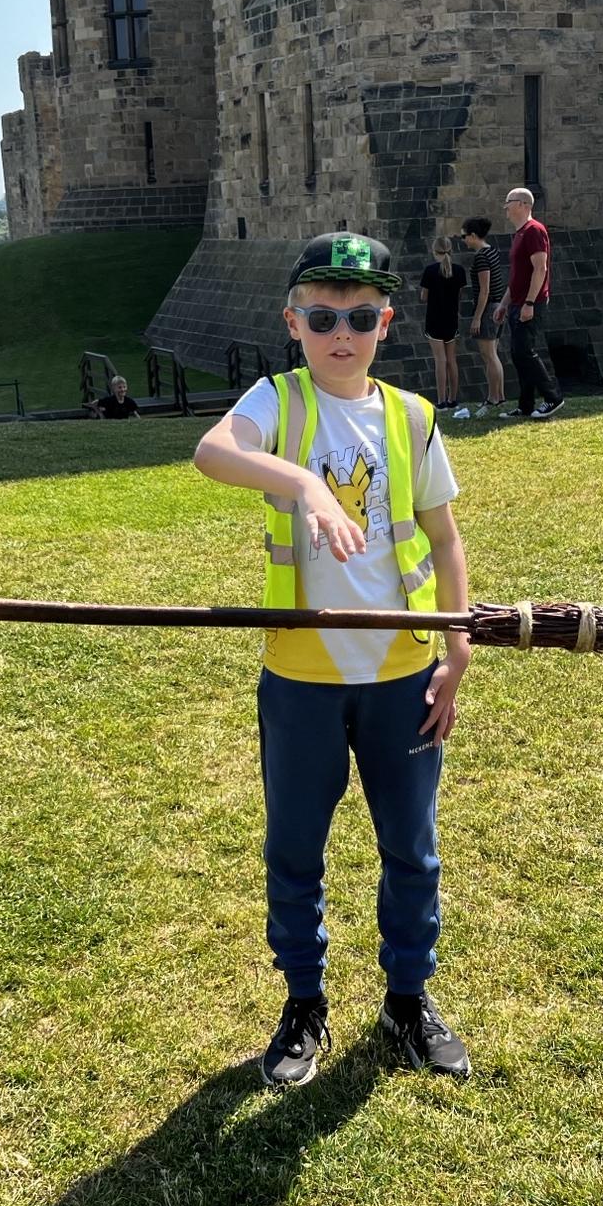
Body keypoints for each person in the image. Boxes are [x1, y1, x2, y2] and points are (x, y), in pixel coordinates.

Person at [194, 231, 473, 1089]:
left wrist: (457, 650)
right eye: (321, 318)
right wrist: (305, 483)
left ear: (386, 323)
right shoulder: (278, 401)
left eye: (358, 317)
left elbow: (445, 539)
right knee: (295, 851)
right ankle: (304, 1003)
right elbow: (212, 451)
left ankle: (407, 999)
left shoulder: (412, 417)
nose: (339, 334)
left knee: (412, 850)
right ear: (294, 323)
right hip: (302, 681)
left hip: (401, 677)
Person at [492, 187, 565, 420]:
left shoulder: (534, 230)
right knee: (518, 353)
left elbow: (540, 268)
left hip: (530, 303)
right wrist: (504, 304)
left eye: (509, 202)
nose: (506, 207)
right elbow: (517, 277)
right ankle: (525, 405)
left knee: (524, 351)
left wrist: (530, 302)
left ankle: (552, 397)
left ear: (523, 204)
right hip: (517, 303)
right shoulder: (520, 233)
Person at [452, 217, 507, 419]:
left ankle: (493, 398)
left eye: (464, 236)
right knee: (493, 355)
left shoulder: (482, 257)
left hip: (488, 309)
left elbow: (484, 290)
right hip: (497, 307)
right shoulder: (492, 251)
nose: (464, 240)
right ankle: (498, 396)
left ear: (474, 236)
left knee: (489, 356)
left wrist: (477, 318)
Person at [419, 234, 467, 411]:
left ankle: (441, 401)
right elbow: (460, 295)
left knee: (440, 360)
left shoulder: (430, 271)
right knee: (451, 360)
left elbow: (424, 296)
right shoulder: (459, 270)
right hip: (451, 319)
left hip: (434, 319)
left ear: (435, 251)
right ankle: (453, 399)